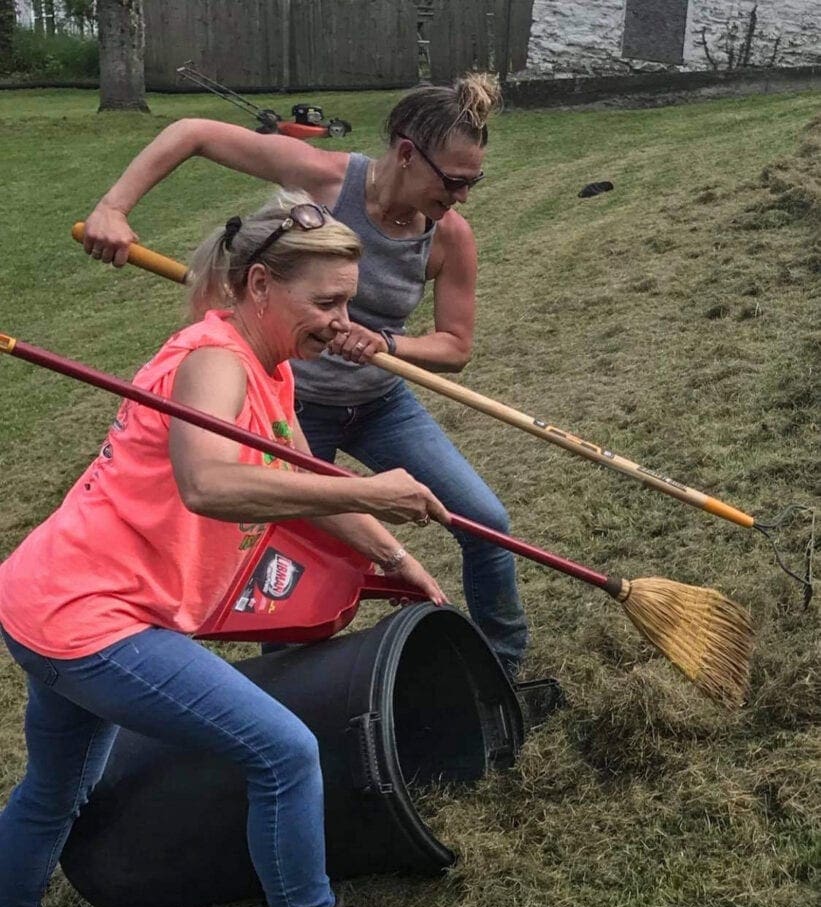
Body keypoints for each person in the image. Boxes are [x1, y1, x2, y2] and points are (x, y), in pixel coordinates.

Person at [0, 194, 449, 907]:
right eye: (326, 302)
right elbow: (208, 482)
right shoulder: (211, 360)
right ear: (258, 286)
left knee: (57, 787)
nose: (341, 321)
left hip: (43, 595)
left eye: (347, 301)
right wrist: (378, 493)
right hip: (93, 616)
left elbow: (304, 478)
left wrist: (392, 558)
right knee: (282, 752)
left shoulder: (268, 367)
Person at [82, 74, 529, 678]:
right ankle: (289, 688)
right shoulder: (324, 179)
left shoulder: (449, 236)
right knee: (285, 551)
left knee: (487, 523)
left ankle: (501, 666)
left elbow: (455, 346)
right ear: (404, 153)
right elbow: (191, 133)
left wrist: (388, 342)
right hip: (290, 407)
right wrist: (114, 207)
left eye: (473, 181)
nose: (463, 196)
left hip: (379, 404)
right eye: (453, 180)